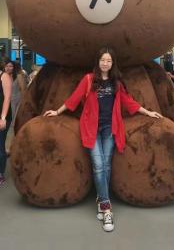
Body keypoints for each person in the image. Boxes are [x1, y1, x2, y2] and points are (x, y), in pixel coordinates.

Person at [44, 47, 162, 232]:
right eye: (103, 60)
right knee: (98, 164)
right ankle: (107, 208)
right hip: (92, 128)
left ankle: (101, 199)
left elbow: (128, 101)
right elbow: (74, 98)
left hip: (110, 128)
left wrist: (148, 112)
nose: (105, 63)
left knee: (106, 165)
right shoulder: (89, 80)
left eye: (109, 60)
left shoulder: (116, 82)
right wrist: (57, 111)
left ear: (112, 63)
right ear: (98, 62)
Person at [0, 60, 12, 186]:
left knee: (0, 146)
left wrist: (3, 117)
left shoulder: (4, 76)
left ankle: (0, 174)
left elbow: (7, 98)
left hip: (2, 117)